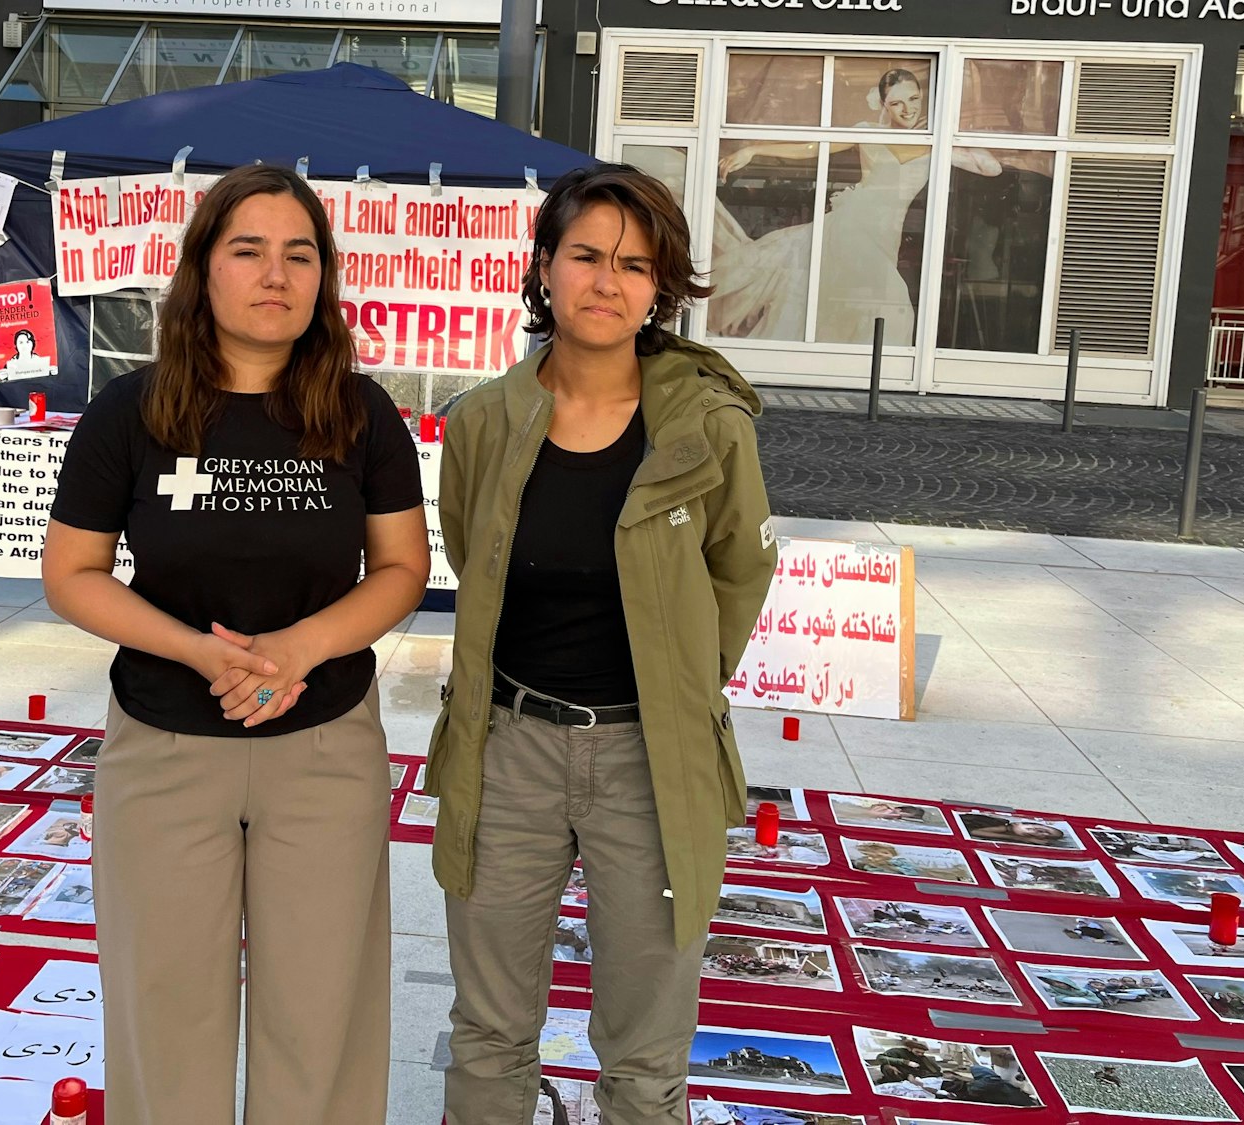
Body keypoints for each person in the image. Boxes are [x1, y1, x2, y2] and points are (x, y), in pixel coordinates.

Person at [40, 164, 429, 1125]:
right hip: (166, 743)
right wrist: (200, 652)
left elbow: (401, 568)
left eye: (300, 254)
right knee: (163, 1004)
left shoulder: (363, 412)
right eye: (248, 249)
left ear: (324, 278)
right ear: (201, 270)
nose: (276, 274)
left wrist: (298, 648)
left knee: (322, 1010)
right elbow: (73, 574)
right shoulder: (128, 414)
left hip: (325, 743)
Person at [428, 163, 777, 1123]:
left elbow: (736, 576)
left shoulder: (709, 427)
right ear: (543, 268)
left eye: (635, 263)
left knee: (647, 1048)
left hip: (648, 758)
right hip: (510, 750)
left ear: (661, 286)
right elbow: (471, 553)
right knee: (491, 1029)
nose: (607, 281)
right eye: (585, 256)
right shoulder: (483, 422)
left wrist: (677, 691)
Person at [710, 67, 1004, 343]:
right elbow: (814, 147)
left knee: (844, 302)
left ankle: (841, 367)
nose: (908, 109)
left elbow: (991, 168)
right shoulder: (867, 131)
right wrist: (754, 149)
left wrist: (949, 129)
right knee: (895, 304)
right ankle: (881, 373)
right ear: (884, 105)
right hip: (852, 226)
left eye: (913, 99)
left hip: (885, 237)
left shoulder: (933, 141)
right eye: (897, 103)